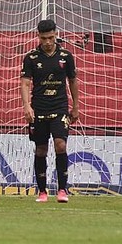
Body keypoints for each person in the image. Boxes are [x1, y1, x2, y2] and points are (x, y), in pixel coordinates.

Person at [19, 19, 81, 203]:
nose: (47, 42)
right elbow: (25, 83)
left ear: (56, 35)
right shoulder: (31, 58)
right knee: (41, 149)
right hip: (39, 108)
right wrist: (26, 106)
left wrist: (76, 106)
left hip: (60, 107)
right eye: (44, 38)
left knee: (60, 144)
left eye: (51, 38)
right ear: (38, 36)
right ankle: (42, 192)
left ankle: (62, 190)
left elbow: (73, 81)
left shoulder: (65, 56)